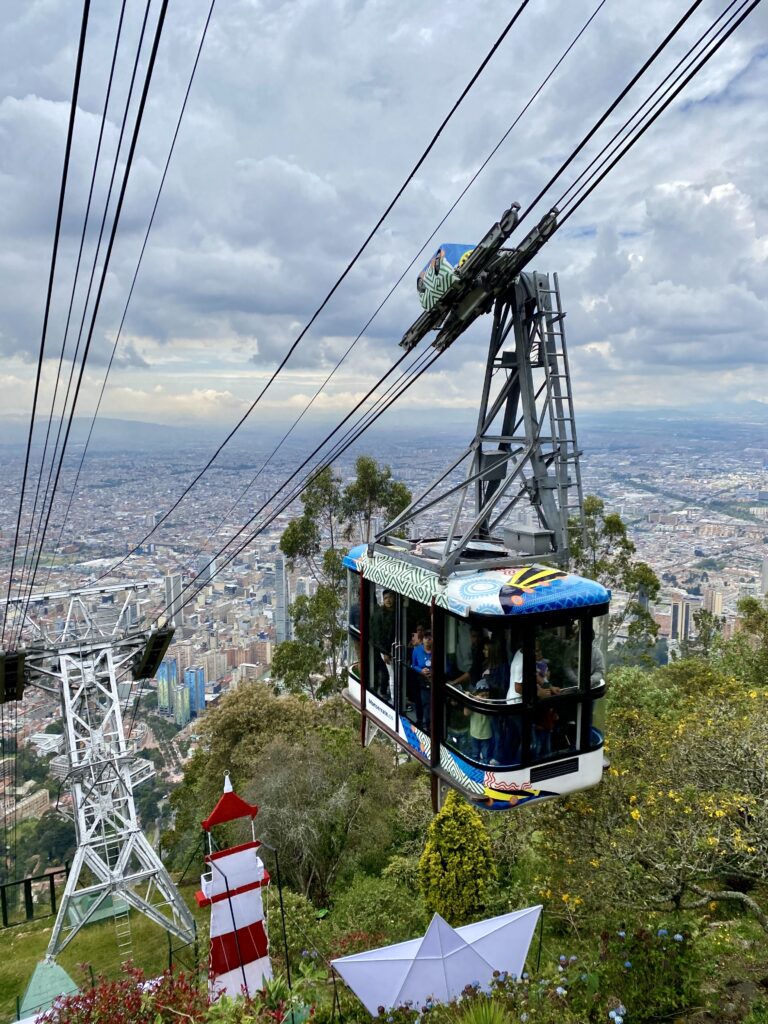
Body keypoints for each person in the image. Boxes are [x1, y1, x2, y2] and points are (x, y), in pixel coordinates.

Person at [370, 589, 396, 699]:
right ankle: (387, 695)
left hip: (394, 647)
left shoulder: (397, 612)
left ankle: (387, 692)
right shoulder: (379, 615)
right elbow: (378, 636)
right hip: (383, 648)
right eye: (385, 598)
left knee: (389, 672)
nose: (388, 600)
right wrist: (385, 652)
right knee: (389, 673)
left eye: (390, 597)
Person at [465, 679, 493, 762]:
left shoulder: (490, 703)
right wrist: (470, 700)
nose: (485, 698)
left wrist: (482, 702)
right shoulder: (473, 702)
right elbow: (466, 713)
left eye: (487, 695)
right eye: (482, 695)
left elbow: (488, 712)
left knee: (486, 755)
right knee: (474, 754)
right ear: (477, 694)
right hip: (474, 734)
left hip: (486, 735)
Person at [411, 630, 433, 731]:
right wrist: (421, 671)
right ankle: (426, 725)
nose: (428, 640)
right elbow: (413, 665)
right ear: (422, 640)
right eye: (425, 638)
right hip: (422, 681)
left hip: (434, 681)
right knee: (425, 703)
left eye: (430, 638)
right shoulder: (416, 650)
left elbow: (446, 667)